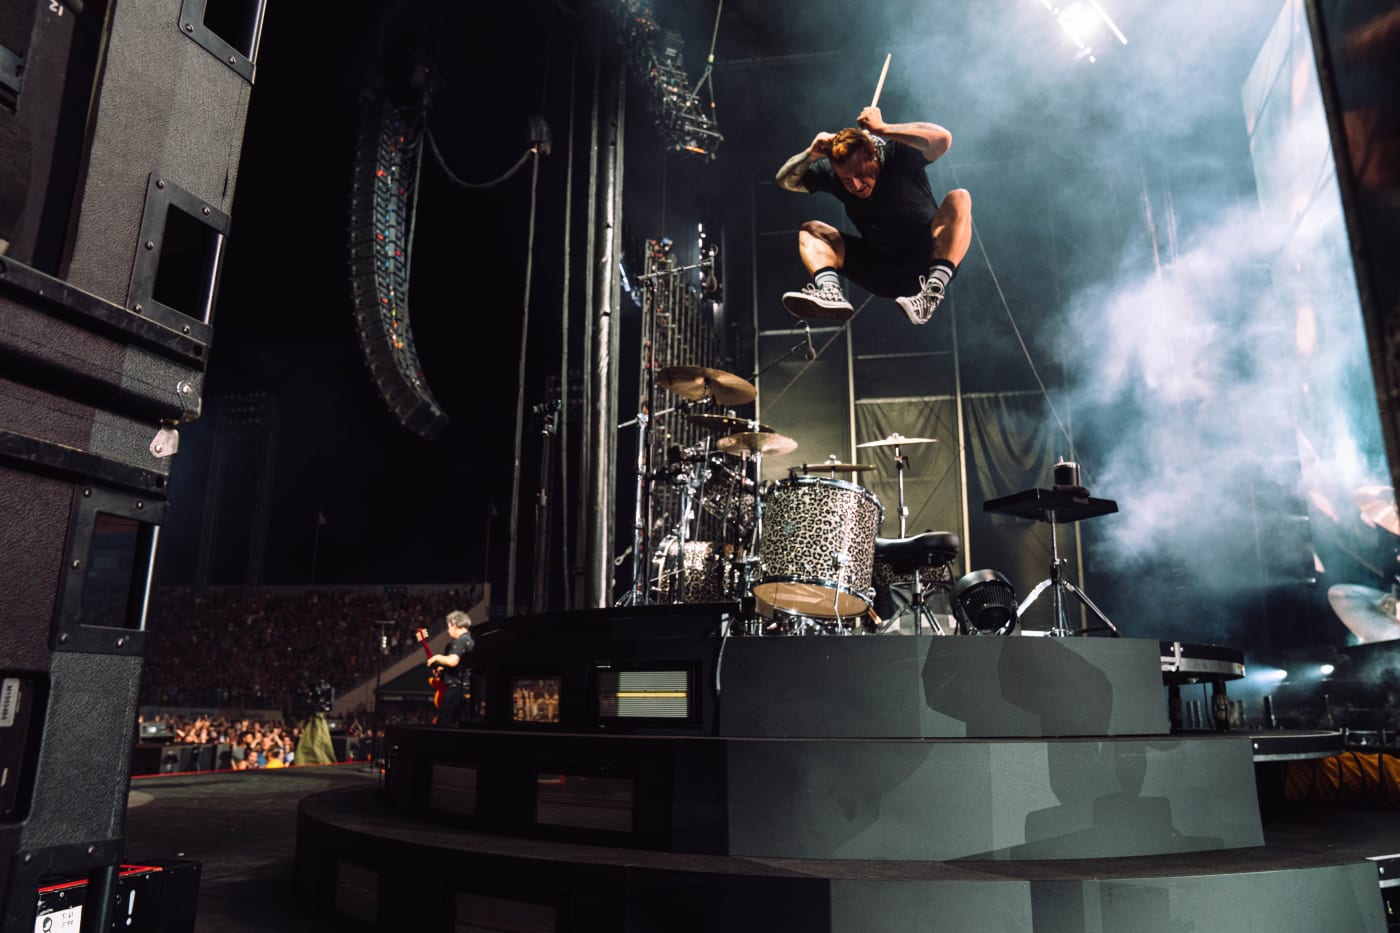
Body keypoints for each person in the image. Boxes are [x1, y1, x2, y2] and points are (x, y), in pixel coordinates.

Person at [775, 105, 972, 326]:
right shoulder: (834, 174)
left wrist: (883, 129)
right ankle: (830, 291)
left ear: (874, 155)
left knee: (959, 198)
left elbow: (942, 139)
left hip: (927, 261)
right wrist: (811, 154)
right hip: (883, 271)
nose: (856, 185)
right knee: (811, 231)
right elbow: (785, 181)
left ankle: (930, 294)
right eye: (847, 180)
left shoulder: (898, 155)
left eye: (861, 174)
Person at [424, 610, 474, 726]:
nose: (448, 631)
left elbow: (453, 661)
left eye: (449, 627)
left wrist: (436, 658)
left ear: (454, 625)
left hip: (455, 690)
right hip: (469, 690)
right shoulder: (472, 641)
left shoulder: (460, 641)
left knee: (444, 724)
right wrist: (443, 670)